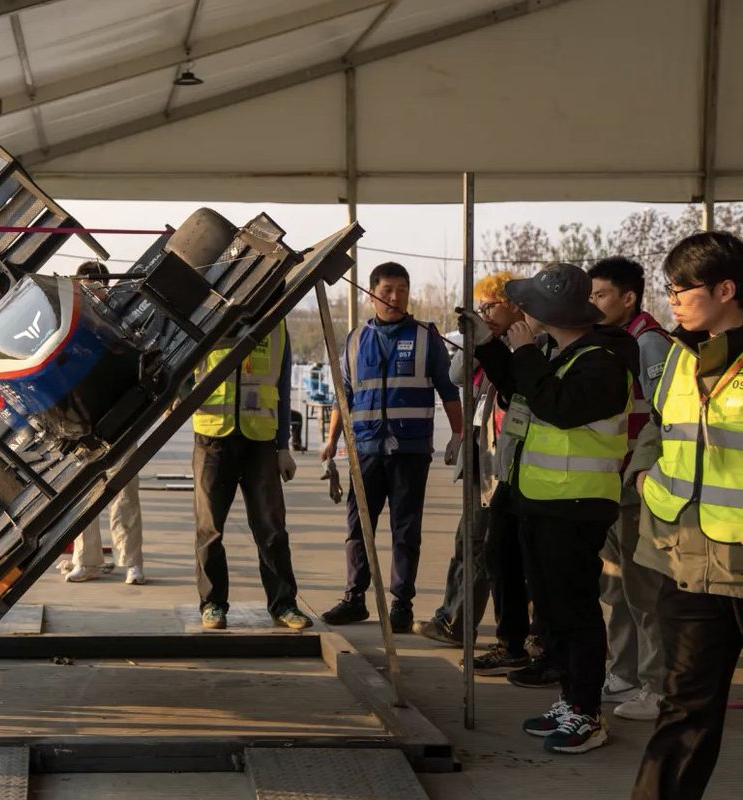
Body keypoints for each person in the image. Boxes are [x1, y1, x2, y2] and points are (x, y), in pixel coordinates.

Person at [461, 262, 638, 755]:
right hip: (541, 499)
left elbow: (557, 406)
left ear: (547, 312)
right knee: (554, 610)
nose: (521, 313)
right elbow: (523, 391)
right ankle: (569, 698)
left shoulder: (603, 359)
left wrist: (519, 351)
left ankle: (588, 712)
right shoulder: (558, 353)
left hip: (576, 504)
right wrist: (490, 346)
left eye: (529, 306)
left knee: (575, 609)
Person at [629, 232, 743, 800]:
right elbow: (658, 426)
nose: (671, 298)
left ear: (726, 288)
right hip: (691, 562)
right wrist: (644, 477)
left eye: (681, 288)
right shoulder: (679, 352)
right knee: (683, 710)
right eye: (667, 287)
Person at [319, 262, 463, 633]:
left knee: (406, 530)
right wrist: (332, 440)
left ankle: (402, 605)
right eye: (387, 290)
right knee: (358, 527)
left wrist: (459, 434)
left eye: (402, 289)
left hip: (410, 450)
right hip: (365, 447)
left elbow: (449, 392)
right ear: (372, 293)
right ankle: (355, 599)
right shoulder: (354, 340)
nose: (395, 297)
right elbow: (343, 396)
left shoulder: (426, 337)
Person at [413, 271, 521, 650]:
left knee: (481, 544)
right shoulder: (485, 343)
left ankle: (460, 621)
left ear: (515, 307)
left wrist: (490, 343)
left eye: (492, 305)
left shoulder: (524, 345)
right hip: (480, 454)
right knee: (467, 542)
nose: (486, 311)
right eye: (483, 306)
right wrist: (471, 339)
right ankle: (451, 615)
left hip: (503, 459)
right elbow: (457, 373)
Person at [587, 257, 673, 721]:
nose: (593, 304)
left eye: (600, 295)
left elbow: (665, 419)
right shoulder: (617, 341)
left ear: (628, 298)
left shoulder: (650, 344)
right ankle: (624, 671)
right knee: (617, 582)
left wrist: (641, 474)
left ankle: (658, 687)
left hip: (637, 485)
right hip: (614, 480)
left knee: (644, 589)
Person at [192, 315, 312, 630]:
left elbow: (282, 385)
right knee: (210, 528)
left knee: (271, 528)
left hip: (261, 439)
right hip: (212, 437)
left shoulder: (277, 324)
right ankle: (213, 604)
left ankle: (284, 604)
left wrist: (283, 445)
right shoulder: (206, 313)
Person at [64, 261, 146, 585]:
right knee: (85, 493)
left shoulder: (122, 319)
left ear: (104, 286)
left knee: (125, 491)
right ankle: (87, 560)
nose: (88, 291)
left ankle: (132, 562)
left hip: (121, 416)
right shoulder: (72, 322)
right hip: (84, 419)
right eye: (83, 286)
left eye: (92, 285)